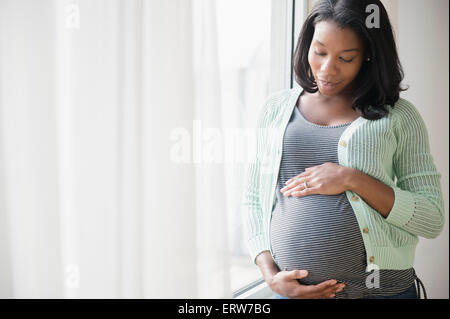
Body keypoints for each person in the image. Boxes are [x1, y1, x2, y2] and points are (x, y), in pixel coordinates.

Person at [242, 0, 444, 299]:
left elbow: (431, 218)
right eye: (319, 51)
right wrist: (271, 277)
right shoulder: (275, 110)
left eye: (346, 58)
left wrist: (353, 179)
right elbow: (254, 202)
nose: (326, 69)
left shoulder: (399, 116)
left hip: (381, 292)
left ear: (368, 57)